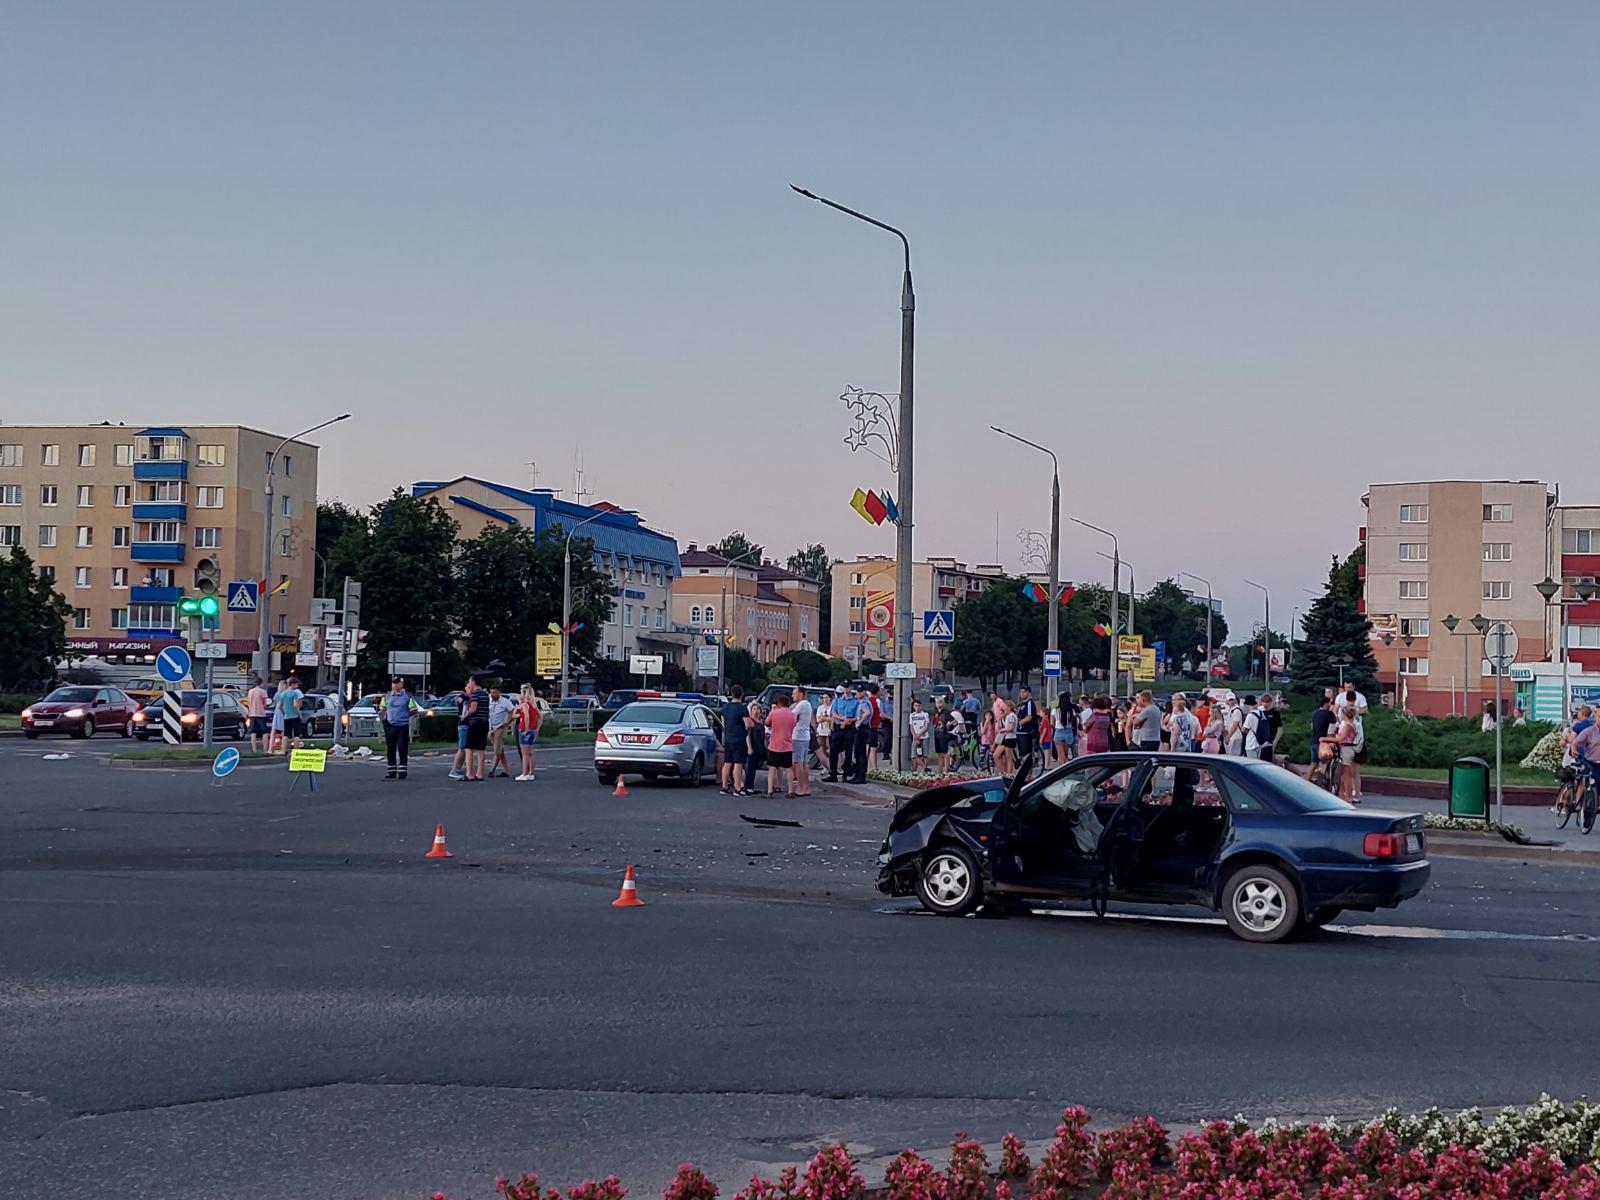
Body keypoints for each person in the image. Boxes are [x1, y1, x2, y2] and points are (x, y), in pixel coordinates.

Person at [382, 677, 419, 780]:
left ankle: (403, 772)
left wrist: (404, 715)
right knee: (390, 749)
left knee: (402, 748)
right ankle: (391, 771)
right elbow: (383, 708)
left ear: (402, 684)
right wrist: (388, 717)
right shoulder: (387, 696)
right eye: (393, 683)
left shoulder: (407, 697)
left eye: (397, 683)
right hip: (390, 725)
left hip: (402, 726)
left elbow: (414, 710)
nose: (395, 685)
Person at [719, 685, 751, 795]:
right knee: (738, 764)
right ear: (742, 694)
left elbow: (723, 724)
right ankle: (737, 788)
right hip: (739, 739)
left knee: (727, 763)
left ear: (731, 694)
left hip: (728, 739)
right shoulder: (742, 709)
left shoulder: (725, 708)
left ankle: (724, 786)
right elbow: (748, 725)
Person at [764, 691, 797, 797]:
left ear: (779, 703)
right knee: (788, 768)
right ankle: (790, 791)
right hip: (787, 745)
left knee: (772, 768)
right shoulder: (793, 715)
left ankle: (770, 790)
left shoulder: (774, 713)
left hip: (774, 744)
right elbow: (794, 725)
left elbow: (767, 723)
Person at [460, 678, 489, 781]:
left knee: (469, 748)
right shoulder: (485, 694)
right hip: (484, 722)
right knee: (481, 749)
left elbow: (473, 709)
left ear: (473, 682)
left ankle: (469, 773)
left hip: (475, 723)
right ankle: (480, 773)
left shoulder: (475, 694)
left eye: (469, 681)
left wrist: (464, 717)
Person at [827, 684, 856, 783]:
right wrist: (844, 719)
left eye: (848, 687)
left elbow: (857, 716)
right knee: (833, 751)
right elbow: (834, 714)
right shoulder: (837, 701)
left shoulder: (855, 701)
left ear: (851, 688)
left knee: (848, 752)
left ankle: (846, 773)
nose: (846, 689)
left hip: (849, 728)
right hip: (838, 728)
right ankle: (833, 773)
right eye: (845, 687)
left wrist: (849, 721)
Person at [514, 683, 542, 781]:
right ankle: (531, 773)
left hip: (524, 729)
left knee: (524, 754)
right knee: (530, 753)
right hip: (532, 729)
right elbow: (540, 716)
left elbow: (526, 716)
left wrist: (525, 729)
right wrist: (537, 728)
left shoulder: (525, 704)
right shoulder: (533, 704)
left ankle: (524, 773)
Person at [486, 686, 516, 778]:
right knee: (499, 749)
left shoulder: (505, 702)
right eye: (491, 692)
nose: (492, 694)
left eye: (494, 692)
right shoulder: (489, 701)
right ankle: (506, 770)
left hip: (500, 727)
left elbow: (513, 712)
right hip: (492, 727)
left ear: (499, 692)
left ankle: (492, 770)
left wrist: (507, 723)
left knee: (497, 750)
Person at [790, 685, 814, 797]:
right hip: (805, 736)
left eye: (795, 693)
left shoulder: (802, 704)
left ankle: (800, 787)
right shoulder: (808, 704)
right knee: (804, 763)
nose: (792, 695)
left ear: (801, 694)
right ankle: (806, 787)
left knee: (798, 763)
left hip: (798, 736)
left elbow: (791, 715)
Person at [850, 685, 875, 783]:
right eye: (858, 691)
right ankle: (858, 775)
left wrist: (859, 722)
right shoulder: (862, 701)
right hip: (863, 728)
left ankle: (861, 776)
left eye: (860, 691)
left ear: (864, 692)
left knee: (860, 753)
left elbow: (867, 713)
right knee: (858, 753)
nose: (858, 693)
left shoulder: (864, 702)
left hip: (862, 728)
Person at [1336, 704, 1360, 803]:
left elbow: (1341, 738)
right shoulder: (1346, 724)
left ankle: (1348, 796)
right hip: (1343, 748)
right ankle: (1342, 794)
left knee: (1346, 774)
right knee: (1342, 774)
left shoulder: (1348, 725)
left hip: (1346, 748)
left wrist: (1326, 738)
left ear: (1344, 714)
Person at [274, 675, 305, 752]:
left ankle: (283, 751)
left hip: (286, 716)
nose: (297, 686)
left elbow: (280, 706)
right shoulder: (294, 693)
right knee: (296, 735)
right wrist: (299, 714)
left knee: (286, 735)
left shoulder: (283, 694)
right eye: (296, 684)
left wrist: (284, 713)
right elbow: (295, 705)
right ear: (292, 684)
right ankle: (296, 751)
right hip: (295, 716)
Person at [1309, 694, 1337, 773]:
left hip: (1313, 740)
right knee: (1324, 763)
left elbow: (1312, 726)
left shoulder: (1315, 713)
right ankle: (1323, 782)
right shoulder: (1329, 714)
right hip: (1323, 743)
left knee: (1314, 763)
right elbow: (1332, 729)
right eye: (1330, 703)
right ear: (1326, 704)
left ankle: (1307, 779)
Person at [746, 694, 768, 792]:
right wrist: (749, 748)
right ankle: (748, 786)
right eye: (754, 709)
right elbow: (747, 735)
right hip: (752, 747)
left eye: (758, 709)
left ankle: (751, 786)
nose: (756, 711)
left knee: (754, 767)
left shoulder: (760, 721)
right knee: (750, 768)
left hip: (760, 747)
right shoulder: (750, 721)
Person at [245, 677, 271, 753]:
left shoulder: (250, 691)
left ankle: (254, 750)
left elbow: (249, 702)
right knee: (265, 732)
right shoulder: (263, 691)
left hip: (252, 713)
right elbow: (265, 704)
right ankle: (265, 750)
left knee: (253, 732)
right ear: (261, 683)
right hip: (260, 713)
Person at [1014, 685, 1039, 764]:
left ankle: (1028, 773)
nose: (1022, 693)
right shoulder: (1022, 704)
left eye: (1024, 692)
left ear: (1029, 693)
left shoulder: (1029, 703)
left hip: (1026, 732)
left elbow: (1029, 717)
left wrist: (1018, 724)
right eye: (1021, 691)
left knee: (1026, 755)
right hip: (1020, 732)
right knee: (1022, 754)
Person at [1243, 695, 1269, 760]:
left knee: (1251, 763)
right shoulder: (1261, 713)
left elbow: (1244, 729)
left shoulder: (1250, 715)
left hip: (1251, 743)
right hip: (1259, 742)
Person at [814, 689, 833, 779]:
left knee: (830, 748)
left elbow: (832, 719)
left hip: (829, 729)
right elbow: (818, 720)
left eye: (827, 697)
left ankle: (831, 765)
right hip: (821, 730)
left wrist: (825, 718)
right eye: (824, 698)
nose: (825, 699)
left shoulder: (832, 707)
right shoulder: (820, 708)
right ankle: (824, 766)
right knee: (822, 748)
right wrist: (825, 718)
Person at [1053, 695, 1078, 762]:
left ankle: (1062, 770)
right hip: (1068, 732)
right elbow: (1073, 720)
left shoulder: (1055, 710)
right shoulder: (1071, 710)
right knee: (1065, 754)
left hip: (1058, 732)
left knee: (1061, 756)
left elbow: (1053, 721)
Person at [908, 698, 930, 773]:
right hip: (915, 737)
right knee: (913, 755)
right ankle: (924, 768)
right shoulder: (912, 715)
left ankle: (925, 770)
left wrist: (919, 735)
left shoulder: (925, 714)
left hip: (924, 736)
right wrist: (915, 736)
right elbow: (911, 727)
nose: (917, 707)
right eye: (916, 706)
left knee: (925, 755)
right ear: (913, 706)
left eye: (919, 705)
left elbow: (926, 726)